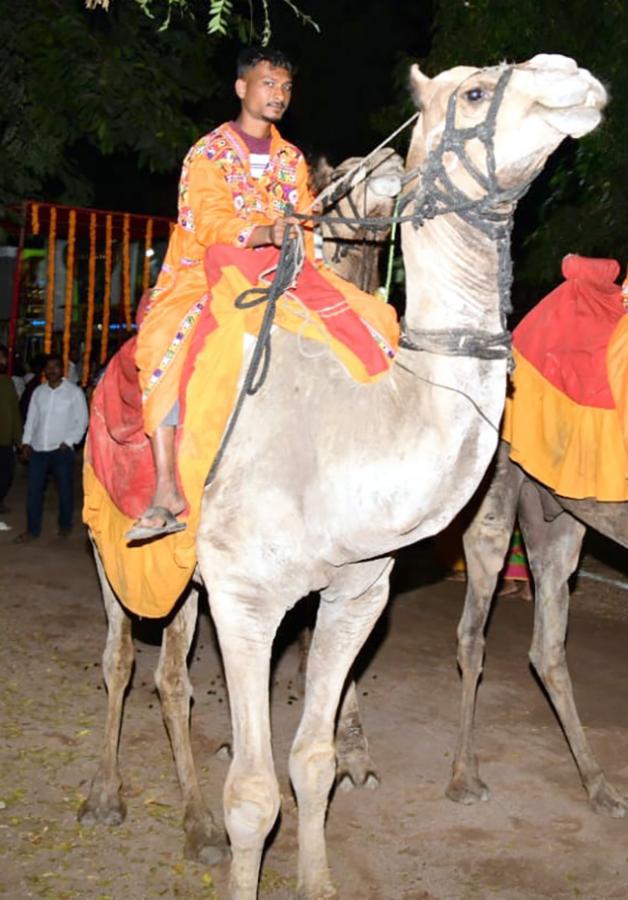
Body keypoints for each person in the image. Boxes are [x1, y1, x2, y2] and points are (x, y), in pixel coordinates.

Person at [128, 46, 397, 540]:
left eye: (286, 87)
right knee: (162, 343)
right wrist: (263, 233)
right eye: (268, 84)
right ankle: (166, 487)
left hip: (283, 271)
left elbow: (306, 222)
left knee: (371, 317)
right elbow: (205, 220)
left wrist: (303, 245)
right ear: (242, 88)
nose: (279, 95)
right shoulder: (207, 152)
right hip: (203, 273)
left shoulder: (291, 158)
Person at [15, 353, 89, 542]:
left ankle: (65, 525)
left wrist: (70, 441)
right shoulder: (39, 392)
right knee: (34, 491)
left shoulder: (74, 392)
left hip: (61, 450)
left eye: (55, 366)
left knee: (64, 490)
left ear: (62, 369)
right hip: (38, 450)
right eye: (48, 367)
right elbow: (31, 419)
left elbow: (82, 420)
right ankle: (32, 530)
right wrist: (26, 442)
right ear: (44, 370)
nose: (52, 370)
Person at [0, 344, 22, 515]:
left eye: (4, 357)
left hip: (5, 439)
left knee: (7, 474)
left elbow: (14, 412)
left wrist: (20, 439)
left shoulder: (7, 382)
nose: (3, 361)